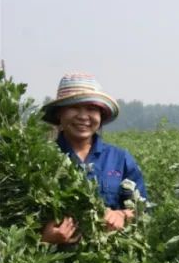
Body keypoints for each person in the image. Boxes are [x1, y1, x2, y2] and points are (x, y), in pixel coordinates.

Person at [40, 72, 148, 245]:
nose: (83, 116)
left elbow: (143, 210)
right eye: (74, 107)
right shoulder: (40, 159)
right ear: (59, 114)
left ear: (101, 116)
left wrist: (121, 215)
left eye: (91, 108)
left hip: (111, 262)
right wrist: (44, 239)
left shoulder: (120, 158)